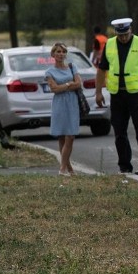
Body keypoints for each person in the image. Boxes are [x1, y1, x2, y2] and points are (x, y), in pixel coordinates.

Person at [94, 18, 138, 175]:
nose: (123, 38)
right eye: (120, 35)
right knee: (119, 131)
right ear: (116, 33)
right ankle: (124, 165)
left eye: (126, 34)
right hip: (117, 94)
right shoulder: (109, 44)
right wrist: (98, 92)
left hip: (135, 94)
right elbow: (102, 69)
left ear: (131, 31)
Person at [45, 42, 81, 176]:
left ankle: (62, 168)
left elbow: (78, 84)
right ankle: (68, 169)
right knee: (61, 136)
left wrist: (64, 86)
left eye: (63, 52)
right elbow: (54, 89)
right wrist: (68, 84)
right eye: (58, 52)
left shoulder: (72, 67)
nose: (61, 54)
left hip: (72, 103)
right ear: (53, 54)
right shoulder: (49, 72)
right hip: (59, 104)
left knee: (70, 136)